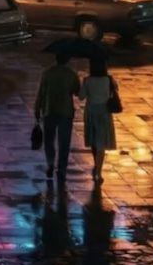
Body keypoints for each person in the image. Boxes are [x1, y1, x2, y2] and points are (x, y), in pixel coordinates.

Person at [34, 49, 80, 182]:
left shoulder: (47, 73)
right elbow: (77, 91)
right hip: (66, 111)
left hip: (49, 109)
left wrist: (37, 108)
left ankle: (50, 163)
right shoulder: (71, 74)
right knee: (64, 142)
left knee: (49, 140)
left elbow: (41, 92)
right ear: (67, 60)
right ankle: (62, 168)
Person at [79, 53, 119, 183]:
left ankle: (96, 164)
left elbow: (81, 96)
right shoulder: (109, 80)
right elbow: (115, 92)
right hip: (104, 112)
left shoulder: (88, 80)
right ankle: (98, 171)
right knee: (101, 141)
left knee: (94, 140)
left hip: (91, 112)